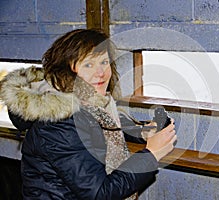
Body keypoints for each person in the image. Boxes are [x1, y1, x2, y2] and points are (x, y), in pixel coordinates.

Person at [0, 29, 177, 200]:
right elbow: (100, 193)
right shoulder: (59, 122)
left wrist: (143, 132)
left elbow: (105, 124)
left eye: (104, 62)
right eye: (88, 64)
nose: (101, 73)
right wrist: (151, 155)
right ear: (68, 70)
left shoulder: (85, 103)